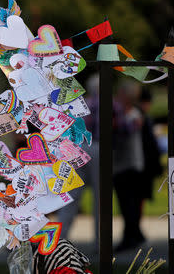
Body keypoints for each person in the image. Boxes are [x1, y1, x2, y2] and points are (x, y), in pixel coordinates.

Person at [57, 74, 100, 251]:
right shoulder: (110, 104)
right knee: (100, 197)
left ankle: (61, 237)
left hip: (77, 148)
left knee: (72, 194)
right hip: (97, 147)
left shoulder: (83, 104)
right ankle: (100, 239)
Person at [113, 80, 145, 252]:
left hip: (128, 165)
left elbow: (123, 131)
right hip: (126, 164)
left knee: (128, 204)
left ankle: (131, 237)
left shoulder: (131, 115)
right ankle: (134, 234)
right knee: (128, 204)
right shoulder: (128, 113)